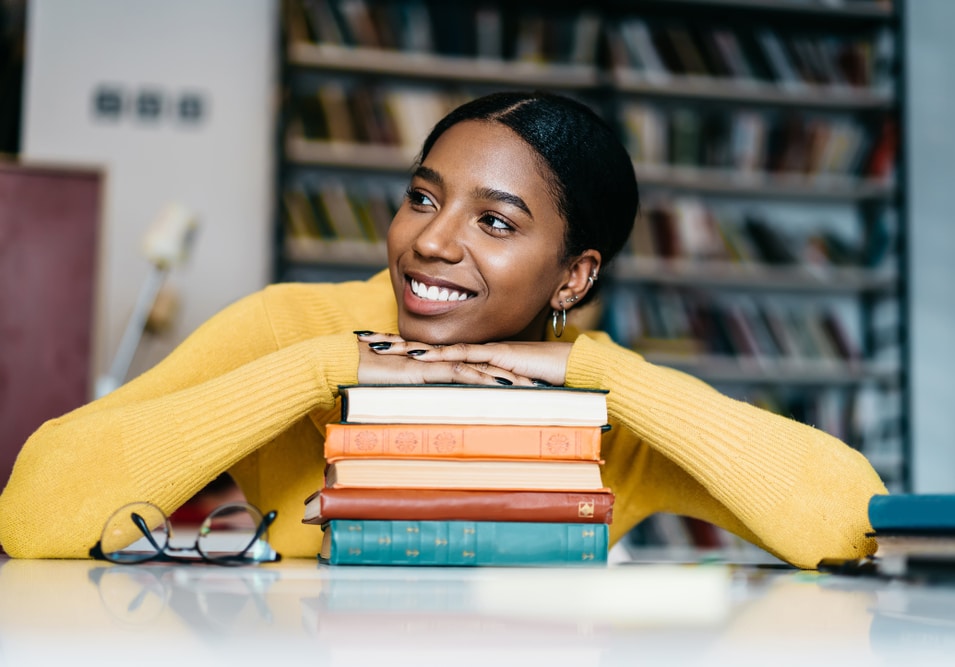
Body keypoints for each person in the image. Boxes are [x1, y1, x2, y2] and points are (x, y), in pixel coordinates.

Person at [0, 91, 887, 568]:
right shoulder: (294, 328)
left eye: (495, 222)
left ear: (574, 275)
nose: (430, 238)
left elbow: (855, 521)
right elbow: (33, 510)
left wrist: (602, 383)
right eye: (423, 197)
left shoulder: (603, 396)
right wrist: (325, 371)